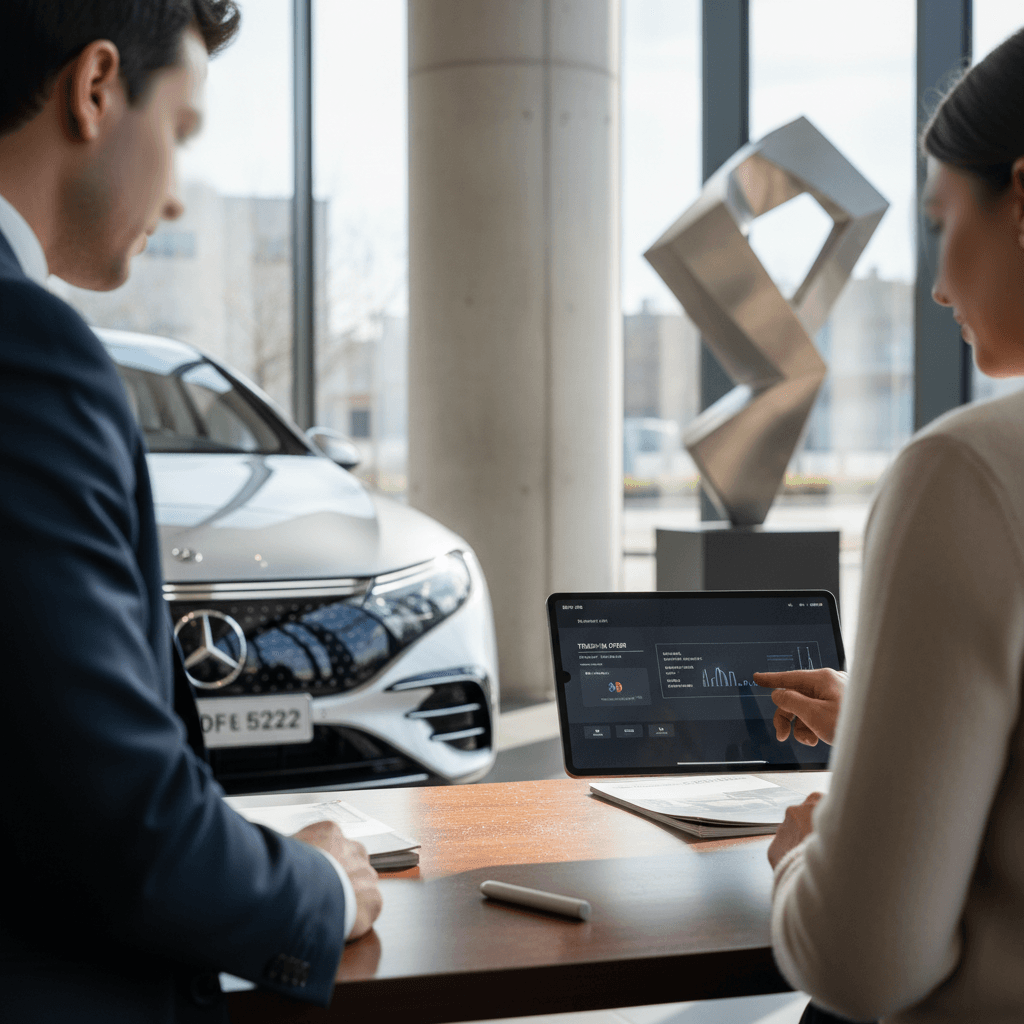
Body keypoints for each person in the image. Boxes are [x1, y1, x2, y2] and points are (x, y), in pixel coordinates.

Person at [0, 3, 381, 1021]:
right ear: (95, 89)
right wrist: (321, 887)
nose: (174, 198)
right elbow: (131, 834)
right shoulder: (31, 350)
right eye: (180, 128)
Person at [750, 25, 1024, 1024]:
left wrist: (803, 858)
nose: (940, 284)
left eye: (941, 219)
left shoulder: (969, 472)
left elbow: (862, 961)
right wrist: (889, 717)